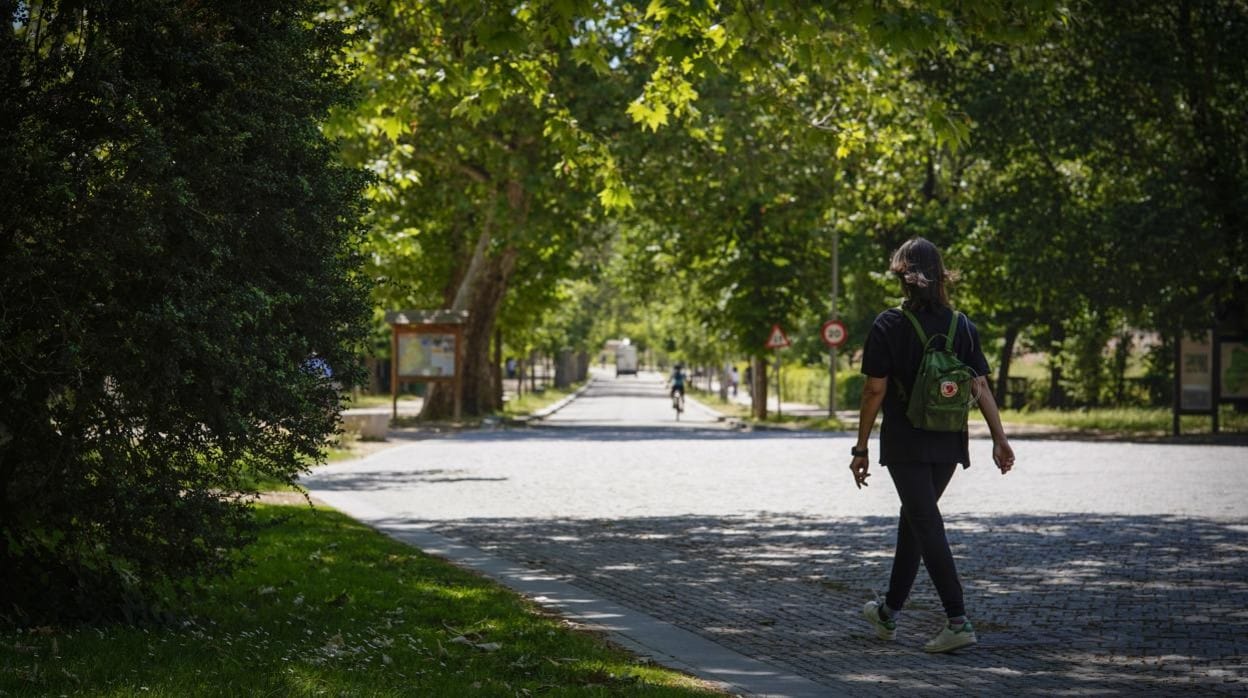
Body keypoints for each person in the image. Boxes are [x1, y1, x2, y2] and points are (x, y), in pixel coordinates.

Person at [849, 236, 1015, 654]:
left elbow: (874, 391)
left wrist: (860, 447)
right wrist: (999, 438)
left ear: (902, 277)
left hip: (906, 441)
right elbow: (979, 386)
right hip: (949, 440)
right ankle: (888, 612)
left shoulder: (889, 324)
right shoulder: (963, 325)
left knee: (925, 523)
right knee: (916, 520)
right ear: (940, 275)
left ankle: (957, 620)